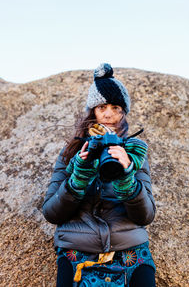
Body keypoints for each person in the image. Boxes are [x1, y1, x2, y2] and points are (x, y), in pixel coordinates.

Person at [42, 63, 156, 286]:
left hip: (129, 251)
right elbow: (51, 213)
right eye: (102, 107)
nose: (108, 114)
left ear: (124, 112)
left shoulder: (134, 153)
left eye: (116, 107)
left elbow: (146, 216)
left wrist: (127, 177)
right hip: (77, 252)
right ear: (92, 111)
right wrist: (78, 179)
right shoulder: (72, 153)